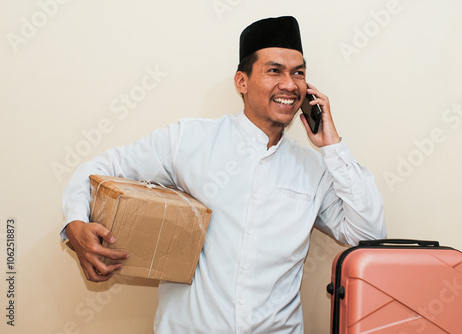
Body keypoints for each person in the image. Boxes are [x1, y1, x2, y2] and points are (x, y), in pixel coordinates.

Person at [61, 16, 386, 334]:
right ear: (241, 82)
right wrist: (75, 224)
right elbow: (96, 170)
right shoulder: (189, 141)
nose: (289, 84)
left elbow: (368, 235)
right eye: (274, 70)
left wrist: (332, 145)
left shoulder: (314, 169)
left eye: (298, 73)